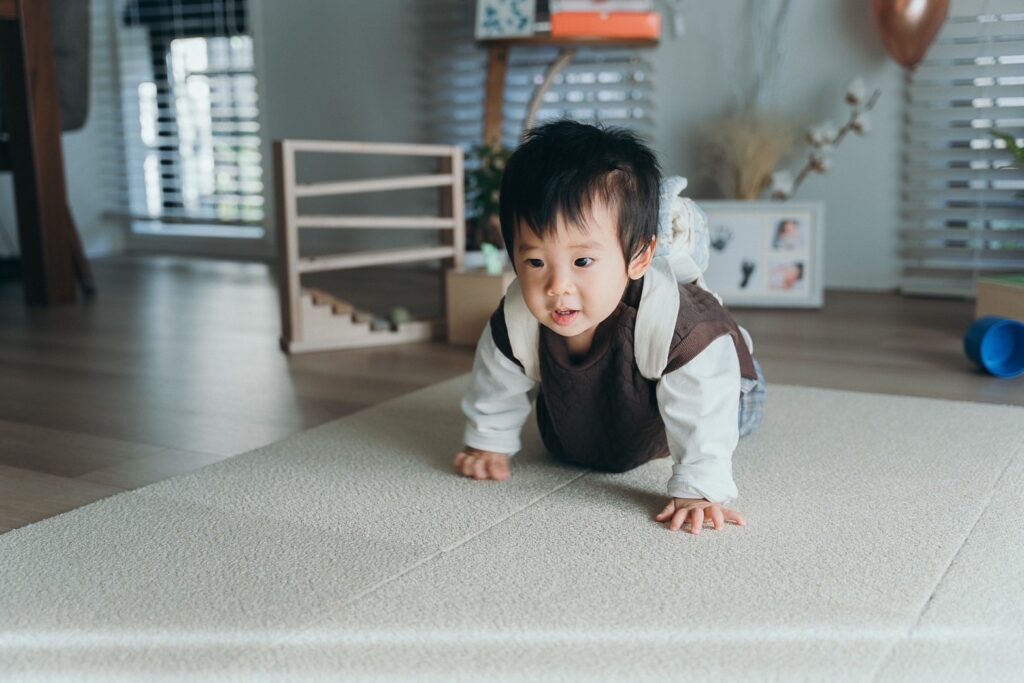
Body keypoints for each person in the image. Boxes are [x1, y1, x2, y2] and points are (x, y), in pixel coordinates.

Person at [453, 120, 766, 535]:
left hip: (718, 384)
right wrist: (488, 442)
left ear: (639, 258)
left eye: (582, 261)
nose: (557, 286)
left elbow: (705, 405)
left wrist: (699, 489)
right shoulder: (517, 317)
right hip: (602, 408)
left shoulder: (677, 327)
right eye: (535, 262)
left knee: (719, 409)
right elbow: (495, 381)